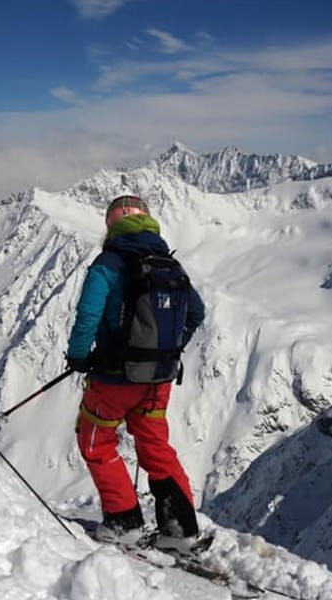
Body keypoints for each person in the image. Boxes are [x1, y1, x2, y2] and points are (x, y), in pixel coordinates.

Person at [66, 194, 205, 547]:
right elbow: (196, 313)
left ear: (111, 225)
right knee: (155, 445)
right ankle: (181, 530)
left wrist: (80, 356)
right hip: (160, 380)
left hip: (115, 376)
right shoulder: (170, 264)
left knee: (95, 440)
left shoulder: (109, 264)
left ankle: (123, 520)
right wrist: (168, 349)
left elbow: (88, 316)